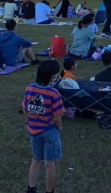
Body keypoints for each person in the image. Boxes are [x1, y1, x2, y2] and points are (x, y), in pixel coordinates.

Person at [24, 60, 64, 193]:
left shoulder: (29, 89)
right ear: (53, 77)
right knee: (50, 163)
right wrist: (59, 128)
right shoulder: (54, 94)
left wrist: (28, 122)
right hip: (50, 131)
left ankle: (31, 188)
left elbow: (25, 109)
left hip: (34, 131)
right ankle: (49, 190)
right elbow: (57, 117)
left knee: (36, 159)